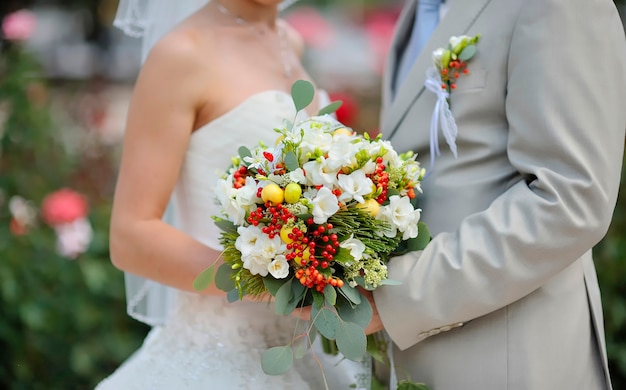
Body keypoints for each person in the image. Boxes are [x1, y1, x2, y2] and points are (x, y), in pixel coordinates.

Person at [95, 0, 370, 388]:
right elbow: (131, 236)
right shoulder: (182, 53)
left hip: (303, 354)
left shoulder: (288, 41)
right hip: (216, 355)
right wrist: (283, 284)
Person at [364, 0, 626, 388]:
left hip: (510, 359)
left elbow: (572, 199)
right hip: (411, 361)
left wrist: (395, 298)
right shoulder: (417, 11)